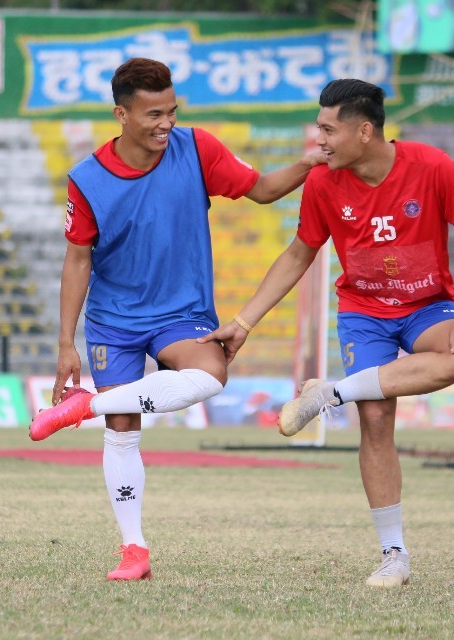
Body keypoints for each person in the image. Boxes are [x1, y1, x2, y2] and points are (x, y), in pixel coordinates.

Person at [28, 58, 325, 581]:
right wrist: (65, 344)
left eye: (172, 111)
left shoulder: (197, 148)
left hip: (181, 313)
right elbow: (77, 261)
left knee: (211, 376)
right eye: (153, 114)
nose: (166, 123)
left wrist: (313, 162)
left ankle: (84, 407)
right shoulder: (88, 179)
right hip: (113, 320)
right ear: (122, 114)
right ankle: (133, 550)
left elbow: (262, 189)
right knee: (122, 431)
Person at [200, 79, 454, 587]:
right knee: (376, 419)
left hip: (430, 307)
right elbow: (298, 254)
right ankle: (394, 556)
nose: (321, 140)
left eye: (329, 130)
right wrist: (244, 322)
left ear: (364, 131)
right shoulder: (321, 183)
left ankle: (329, 392)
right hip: (365, 312)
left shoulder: (434, 167)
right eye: (319, 128)